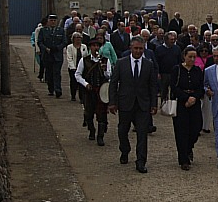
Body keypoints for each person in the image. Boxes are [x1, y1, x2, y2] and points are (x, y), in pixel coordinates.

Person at [108, 37, 159, 173]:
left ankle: (141, 161)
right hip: (125, 103)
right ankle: (125, 150)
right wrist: (112, 102)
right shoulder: (121, 63)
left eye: (140, 49)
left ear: (144, 49)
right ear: (131, 48)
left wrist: (154, 104)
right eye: (136, 48)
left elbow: (153, 86)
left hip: (143, 105)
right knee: (122, 131)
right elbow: (113, 83)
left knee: (142, 134)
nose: (138, 51)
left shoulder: (148, 64)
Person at [171, 46, 204, 170]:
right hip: (181, 103)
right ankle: (183, 159)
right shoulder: (177, 69)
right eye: (190, 56)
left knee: (196, 128)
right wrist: (185, 98)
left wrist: (194, 97)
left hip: (194, 102)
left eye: (194, 57)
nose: (192, 59)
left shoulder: (197, 70)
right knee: (181, 131)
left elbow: (201, 87)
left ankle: (189, 147)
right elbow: (174, 86)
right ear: (184, 56)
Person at [76, 37, 112, 145]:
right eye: (93, 46)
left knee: (102, 114)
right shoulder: (84, 60)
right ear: (90, 47)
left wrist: (105, 69)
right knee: (89, 112)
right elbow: (77, 75)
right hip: (89, 90)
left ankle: (100, 136)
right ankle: (91, 130)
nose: (95, 48)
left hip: (101, 91)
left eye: (97, 46)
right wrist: (85, 84)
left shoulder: (105, 60)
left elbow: (109, 76)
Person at [37, 14, 67, 98]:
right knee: (49, 73)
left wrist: (57, 48)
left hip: (57, 55)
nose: (53, 22)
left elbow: (64, 42)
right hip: (47, 55)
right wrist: (45, 48)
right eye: (51, 20)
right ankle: (51, 89)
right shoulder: (43, 30)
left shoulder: (61, 31)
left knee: (57, 73)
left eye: (54, 20)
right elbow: (40, 42)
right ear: (48, 21)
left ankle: (58, 90)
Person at [155, 32, 182, 107]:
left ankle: (173, 105)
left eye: (174, 39)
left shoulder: (177, 48)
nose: (173, 41)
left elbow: (179, 60)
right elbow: (156, 62)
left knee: (174, 89)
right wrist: (158, 73)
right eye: (171, 39)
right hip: (164, 73)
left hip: (174, 73)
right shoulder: (159, 49)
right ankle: (164, 105)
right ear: (166, 40)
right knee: (164, 89)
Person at [65, 32, 88, 102]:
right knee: (73, 82)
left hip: (82, 67)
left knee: (82, 83)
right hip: (73, 67)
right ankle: (73, 95)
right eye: (76, 38)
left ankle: (82, 97)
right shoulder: (69, 47)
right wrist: (73, 68)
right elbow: (69, 58)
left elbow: (86, 56)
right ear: (73, 39)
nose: (78, 39)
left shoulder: (84, 47)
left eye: (79, 38)